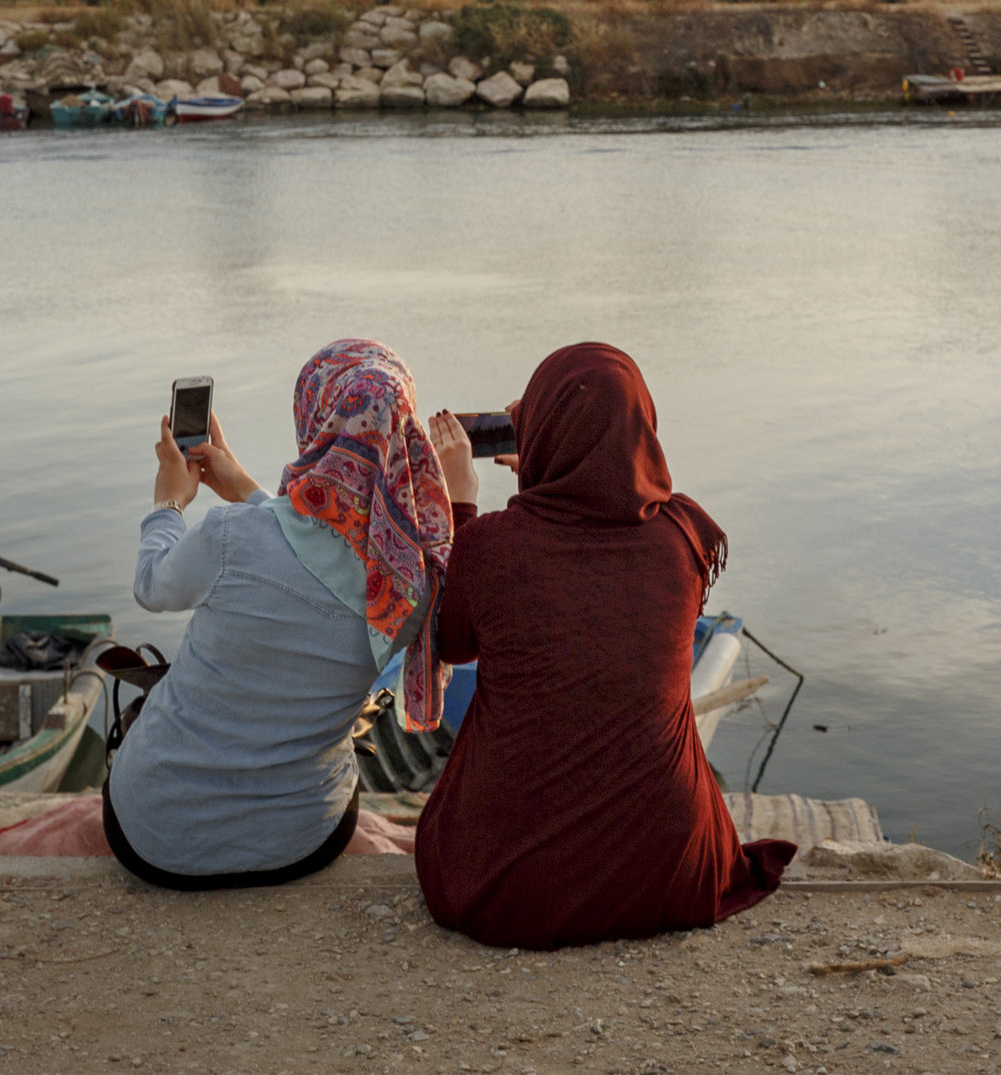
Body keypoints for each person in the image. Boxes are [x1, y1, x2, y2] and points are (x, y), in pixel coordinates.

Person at [415, 342, 792, 948]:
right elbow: (614, 603)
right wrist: (562, 475)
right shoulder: (684, 538)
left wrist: (461, 504)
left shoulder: (492, 548)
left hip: (509, 888)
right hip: (675, 873)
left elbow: (452, 644)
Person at [100, 338, 474, 889]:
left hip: (156, 837)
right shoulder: (410, 586)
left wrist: (169, 502)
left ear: (316, 425)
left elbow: (152, 585)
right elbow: (325, 545)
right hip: (300, 842)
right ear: (404, 438)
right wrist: (246, 489)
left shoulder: (227, 538)